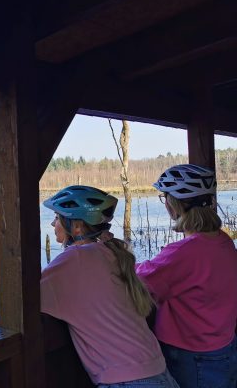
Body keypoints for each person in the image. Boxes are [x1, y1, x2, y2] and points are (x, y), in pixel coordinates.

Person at [41, 185, 179, 387]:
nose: (54, 224)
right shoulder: (112, 252)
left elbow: (25, 298)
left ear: (77, 226)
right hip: (159, 372)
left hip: (127, 381)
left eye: (57, 217)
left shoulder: (73, 259)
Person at [136, 164, 237, 388]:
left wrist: (113, 258)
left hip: (192, 356)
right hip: (224, 347)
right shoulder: (223, 241)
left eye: (165, 199)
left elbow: (139, 280)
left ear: (174, 206)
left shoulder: (183, 252)